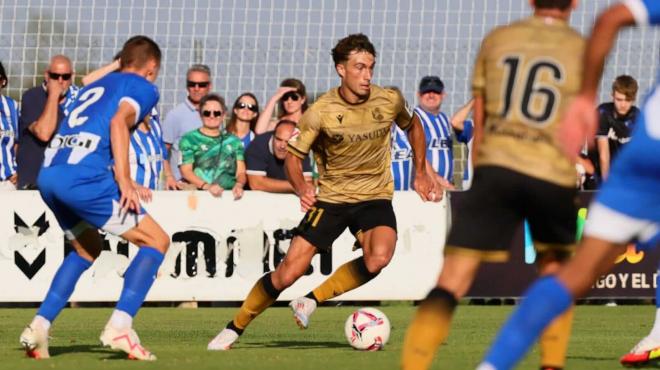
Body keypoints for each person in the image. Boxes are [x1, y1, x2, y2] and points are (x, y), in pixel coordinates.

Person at [207, 33, 435, 351]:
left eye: (370, 67)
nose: (367, 75)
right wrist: (301, 187)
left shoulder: (389, 99)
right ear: (341, 69)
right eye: (359, 67)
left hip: (374, 196)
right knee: (288, 273)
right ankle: (235, 327)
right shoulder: (320, 111)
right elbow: (293, 157)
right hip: (331, 199)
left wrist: (422, 171)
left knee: (379, 257)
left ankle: (311, 300)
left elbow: (414, 126)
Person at [476, 1, 660, 369]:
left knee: (574, 276)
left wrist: (585, 96)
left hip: (643, 157)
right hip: (644, 165)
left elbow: (611, 17)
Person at [401, 1, 584, 369]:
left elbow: (480, 116)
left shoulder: (498, 39)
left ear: (531, 2)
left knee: (452, 278)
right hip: (548, 169)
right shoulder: (581, 47)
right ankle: (551, 364)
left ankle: (414, 366)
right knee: (554, 275)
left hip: (498, 167)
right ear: (575, 4)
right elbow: (579, 117)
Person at [19, 36, 169, 361]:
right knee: (156, 241)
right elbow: (118, 122)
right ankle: (120, 326)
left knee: (88, 247)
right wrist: (126, 181)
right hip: (83, 178)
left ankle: (39, 327)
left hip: (50, 174)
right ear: (152, 68)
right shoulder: (144, 87)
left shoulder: (92, 86)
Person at [16, 55, 79, 189]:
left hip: (65, 184)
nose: (60, 81)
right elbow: (44, 133)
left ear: (72, 76)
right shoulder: (33, 96)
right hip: (33, 183)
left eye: (66, 76)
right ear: (46, 75)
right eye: (55, 76)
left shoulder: (79, 101)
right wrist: (53, 95)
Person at [179, 93, 246, 199]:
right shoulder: (188, 139)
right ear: (200, 114)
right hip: (200, 197)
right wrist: (207, 186)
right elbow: (186, 171)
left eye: (217, 113)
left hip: (229, 197)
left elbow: (241, 172)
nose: (212, 116)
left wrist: (239, 185)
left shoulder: (234, 141)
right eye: (206, 113)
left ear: (223, 115)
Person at [162, 64, 212, 181]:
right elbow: (162, 151)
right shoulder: (175, 115)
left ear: (209, 86)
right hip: (182, 186)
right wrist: (169, 177)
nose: (196, 88)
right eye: (192, 84)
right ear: (187, 86)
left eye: (202, 85)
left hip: (210, 186)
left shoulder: (216, 114)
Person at [245, 119, 313, 193]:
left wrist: (301, 186)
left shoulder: (301, 149)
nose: (282, 146)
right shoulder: (258, 145)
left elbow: (307, 183)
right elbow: (256, 184)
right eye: (279, 139)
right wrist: (296, 186)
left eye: (288, 142)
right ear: (273, 136)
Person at [595, 75, 639, 181]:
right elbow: (603, 154)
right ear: (612, 96)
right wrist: (607, 184)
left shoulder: (636, 116)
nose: (623, 104)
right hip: (600, 168)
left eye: (627, 100)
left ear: (633, 99)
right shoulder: (603, 113)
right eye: (619, 99)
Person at [0, 61, 19, 190]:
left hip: (7, 183)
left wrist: (18, 170)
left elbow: (18, 142)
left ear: (3, 81)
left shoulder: (12, 106)